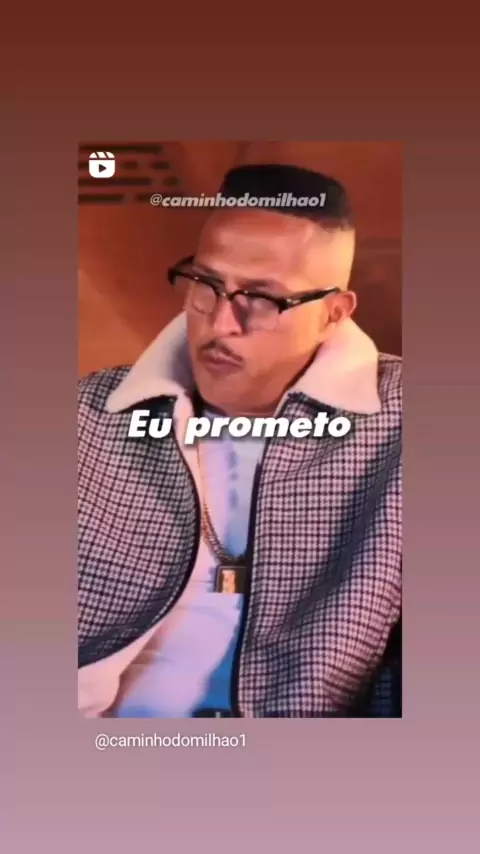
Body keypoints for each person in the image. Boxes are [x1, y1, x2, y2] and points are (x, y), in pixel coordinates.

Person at [78, 163, 402, 718]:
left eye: (262, 298)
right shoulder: (87, 417)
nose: (221, 324)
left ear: (333, 314)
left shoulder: (401, 427)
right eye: (206, 285)